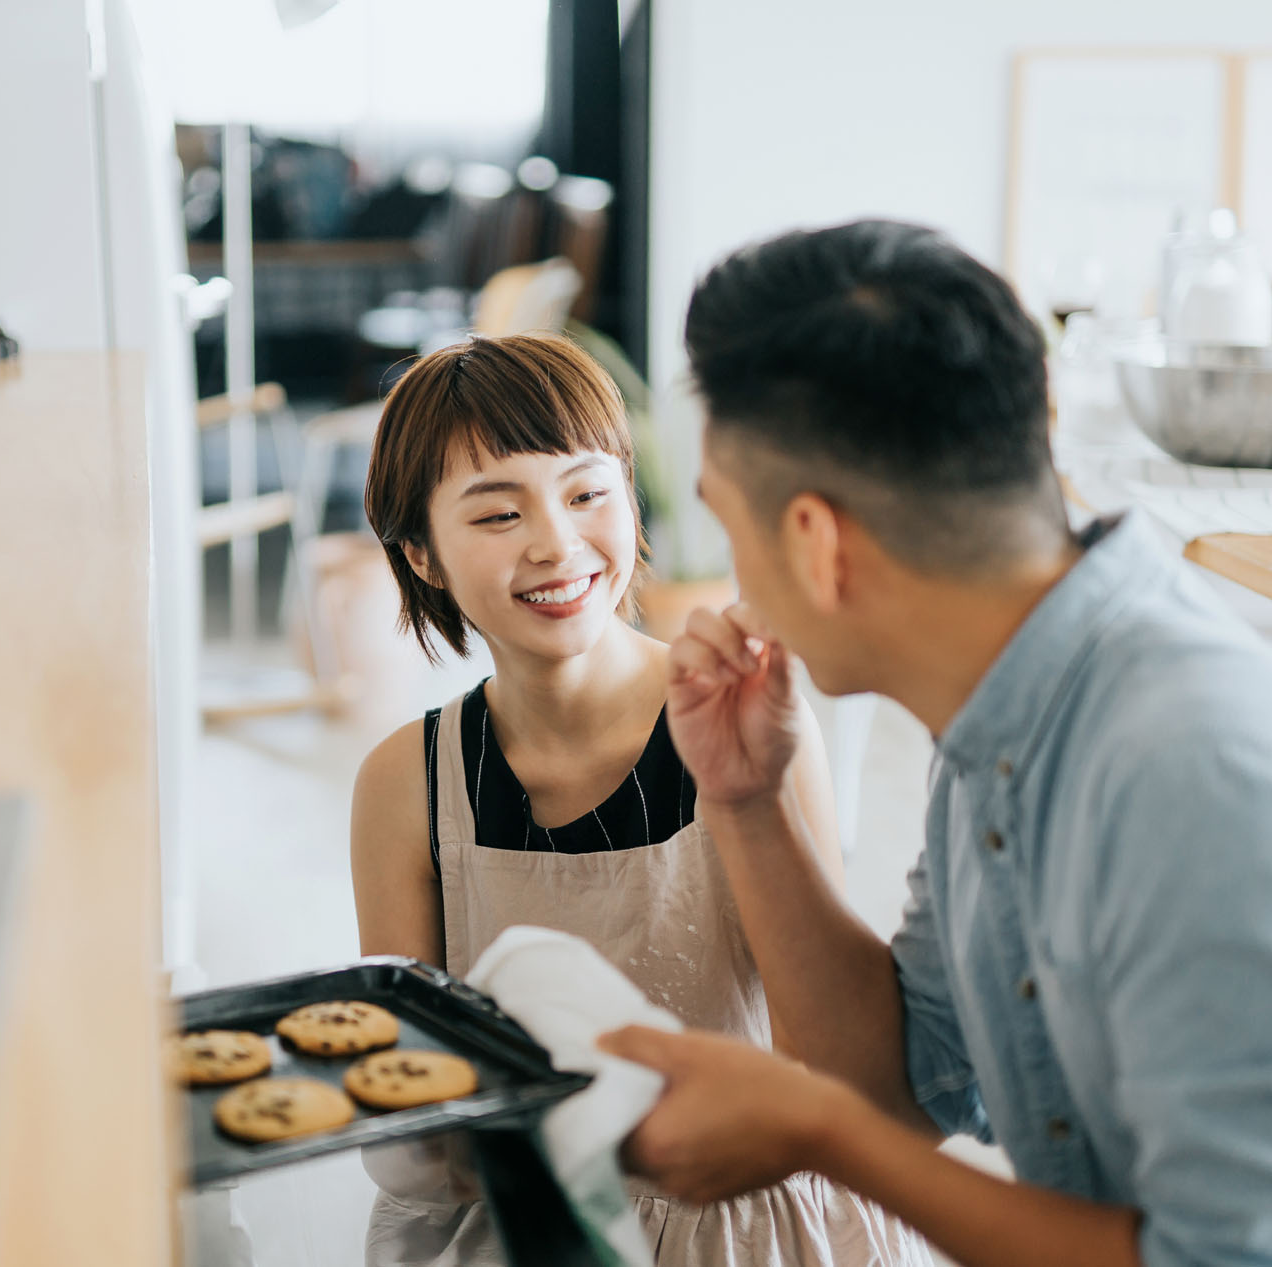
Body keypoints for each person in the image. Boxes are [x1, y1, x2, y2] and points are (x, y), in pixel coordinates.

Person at [598, 219, 1272, 1266]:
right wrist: (746, 800)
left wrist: (812, 1133)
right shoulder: (1008, 699)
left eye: (726, 520)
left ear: (814, 541)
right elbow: (899, 1076)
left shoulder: (1193, 774)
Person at [351, 332, 929, 1266]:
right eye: (498, 515)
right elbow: (415, 1117)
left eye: (588, 493)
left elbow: (825, 1061)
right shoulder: (404, 784)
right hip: (525, 1220)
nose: (556, 541)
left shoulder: (744, 727)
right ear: (421, 553)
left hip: (750, 1219)